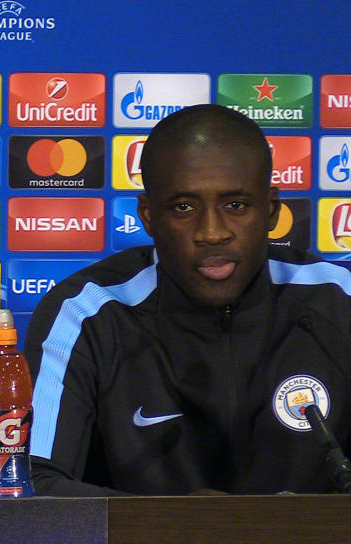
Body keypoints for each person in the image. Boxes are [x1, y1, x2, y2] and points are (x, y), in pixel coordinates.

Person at [25, 104, 351, 495]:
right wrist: (181, 526)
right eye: (184, 207)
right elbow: (29, 486)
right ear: (148, 216)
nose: (212, 233)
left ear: (270, 210)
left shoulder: (339, 301)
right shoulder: (87, 313)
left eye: (236, 206)